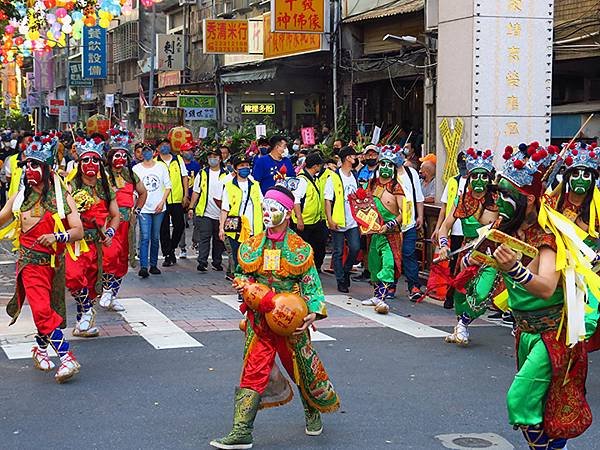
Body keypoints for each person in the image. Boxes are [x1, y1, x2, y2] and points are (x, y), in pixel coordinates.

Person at [210, 185, 339, 449]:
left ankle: (312, 410)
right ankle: (241, 430)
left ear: (288, 212)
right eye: (265, 207)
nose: (267, 213)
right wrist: (245, 285)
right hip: (259, 321)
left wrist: (312, 311)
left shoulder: (299, 248)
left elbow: (311, 284)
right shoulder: (253, 245)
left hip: (292, 320)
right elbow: (244, 276)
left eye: (274, 208)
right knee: (253, 369)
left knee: (301, 369)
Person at [492, 142, 598, 450]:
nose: (497, 201)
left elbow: (546, 287)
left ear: (526, 200)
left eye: (504, 195)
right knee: (540, 405)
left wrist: (514, 269)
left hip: (552, 334)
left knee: (520, 400)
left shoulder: (546, 237)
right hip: (525, 331)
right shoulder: (510, 229)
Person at [0, 136, 83, 383]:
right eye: (27, 165)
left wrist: (58, 236)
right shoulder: (20, 196)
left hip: (54, 264)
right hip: (29, 264)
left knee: (49, 309)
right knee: (41, 310)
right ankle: (67, 357)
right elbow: (3, 217)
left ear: (46, 170)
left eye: (35, 165)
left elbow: (77, 230)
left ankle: (40, 348)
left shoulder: (61, 197)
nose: (29, 170)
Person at [437, 148, 498, 345]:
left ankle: (463, 324)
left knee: (481, 293)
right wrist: (444, 246)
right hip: (467, 252)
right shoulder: (462, 200)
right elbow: (445, 227)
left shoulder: (498, 201)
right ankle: (461, 323)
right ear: (469, 178)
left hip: (490, 254)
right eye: (475, 177)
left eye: (484, 177)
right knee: (461, 293)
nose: (479, 181)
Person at [66, 137, 120, 338]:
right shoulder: (70, 186)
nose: (91, 165)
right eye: (86, 160)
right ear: (79, 163)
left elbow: (116, 216)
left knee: (91, 284)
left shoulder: (105, 188)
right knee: (73, 278)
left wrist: (111, 233)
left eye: (95, 161)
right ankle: (87, 311)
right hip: (76, 244)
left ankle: (83, 324)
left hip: (97, 245)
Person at [100, 128, 147, 311]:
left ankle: (113, 294)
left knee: (121, 260)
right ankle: (106, 289)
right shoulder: (101, 174)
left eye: (123, 155)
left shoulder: (131, 174)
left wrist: (137, 209)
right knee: (108, 257)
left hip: (127, 224)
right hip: (109, 224)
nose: (120, 159)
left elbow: (143, 192)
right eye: (116, 155)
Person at [360, 146, 405, 313]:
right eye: (383, 164)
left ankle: (382, 297)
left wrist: (390, 225)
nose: (386, 168)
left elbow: (403, 213)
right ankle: (377, 295)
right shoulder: (372, 184)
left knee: (388, 264)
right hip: (374, 232)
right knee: (374, 264)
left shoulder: (396, 187)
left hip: (390, 234)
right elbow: (364, 204)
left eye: (389, 165)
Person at [432, 151, 468, 309]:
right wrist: (439, 228)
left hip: (473, 232)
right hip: (455, 229)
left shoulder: (478, 183)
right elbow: (445, 206)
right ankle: (450, 295)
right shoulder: (453, 181)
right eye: (462, 166)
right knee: (453, 265)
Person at [324, 146, 360, 293]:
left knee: (355, 248)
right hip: (338, 219)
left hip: (353, 220)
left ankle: (346, 271)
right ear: (347, 158)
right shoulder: (333, 177)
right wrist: (330, 219)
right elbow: (328, 200)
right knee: (338, 251)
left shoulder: (355, 175)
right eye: (353, 156)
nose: (355, 159)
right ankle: (341, 280)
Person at [133, 145, 172, 278]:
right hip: (143, 208)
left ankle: (153, 264)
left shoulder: (161, 167)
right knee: (145, 237)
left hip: (159, 208)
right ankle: (144, 266)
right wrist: (135, 206)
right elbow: (134, 190)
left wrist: (162, 202)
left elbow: (168, 186)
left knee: (155, 237)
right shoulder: (136, 169)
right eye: (144, 151)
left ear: (154, 152)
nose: (146, 153)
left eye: (149, 151)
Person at [219, 154, 263, 271]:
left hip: (255, 229)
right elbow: (224, 209)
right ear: (235, 169)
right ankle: (241, 280)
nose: (245, 168)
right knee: (238, 257)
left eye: (247, 165)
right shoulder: (229, 186)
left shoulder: (255, 185)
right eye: (242, 166)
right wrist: (221, 228)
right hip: (236, 229)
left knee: (253, 258)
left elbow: (262, 205)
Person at [189, 148, 227, 272]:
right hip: (205, 212)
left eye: (215, 157)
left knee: (218, 239)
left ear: (220, 159)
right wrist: (191, 207)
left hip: (221, 213)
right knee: (204, 237)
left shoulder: (227, 174)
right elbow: (196, 191)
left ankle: (217, 262)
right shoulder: (202, 173)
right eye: (210, 157)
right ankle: (202, 262)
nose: (213, 159)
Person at [396, 148, 426, 301]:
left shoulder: (411, 173)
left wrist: (420, 216)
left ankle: (414, 286)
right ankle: (388, 286)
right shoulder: (384, 173)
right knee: (391, 256)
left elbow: (418, 196)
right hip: (391, 225)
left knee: (409, 253)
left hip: (409, 222)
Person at [156, 138, 189, 267]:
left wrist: (186, 194)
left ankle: (172, 248)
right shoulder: (155, 162)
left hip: (176, 198)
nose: (165, 147)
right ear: (157, 148)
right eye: (162, 145)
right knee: (163, 228)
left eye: (167, 144)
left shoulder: (178, 159)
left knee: (180, 225)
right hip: (162, 200)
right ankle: (167, 255)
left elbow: (184, 177)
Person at [292, 152, 327, 272]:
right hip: (304, 222)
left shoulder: (314, 179)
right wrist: (299, 219)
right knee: (302, 249)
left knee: (318, 246)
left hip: (315, 220)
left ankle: (314, 268)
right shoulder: (302, 180)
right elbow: (296, 200)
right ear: (315, 166)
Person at [178, 141, 201, 258]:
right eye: (187, 150)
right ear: (181, 152)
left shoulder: (196, 165)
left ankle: (195, 242)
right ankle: (182, 247)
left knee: (197, 222)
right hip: (180, 198)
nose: (189, 153)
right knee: (181, 223)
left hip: (194, 197)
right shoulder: (177, 165)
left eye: (191, 150)